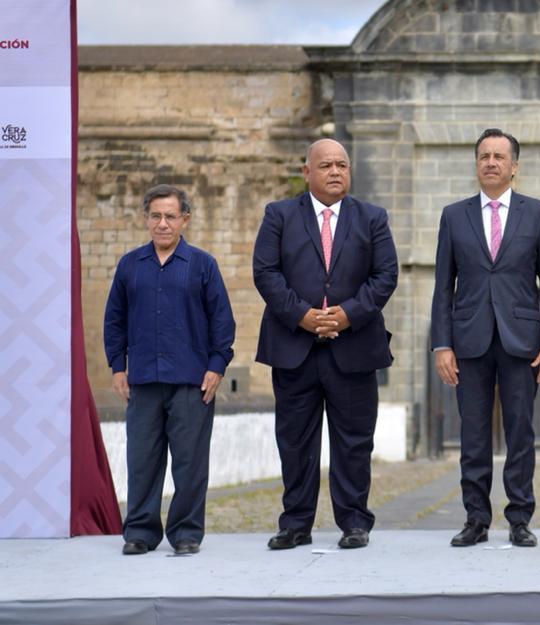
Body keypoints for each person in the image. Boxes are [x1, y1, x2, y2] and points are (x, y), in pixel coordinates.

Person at [253, 138, 398, 550]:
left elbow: (385, 275)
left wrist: (347, 314)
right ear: (307, 172)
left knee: (354, 441)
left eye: (342, 165)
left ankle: (354, 522)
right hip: (294, 348)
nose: (336, 172)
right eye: (326, 165)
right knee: (296, 441)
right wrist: (303, 315)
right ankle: (295, 524)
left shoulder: (372, 217)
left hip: (353, 348)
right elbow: (265, 272)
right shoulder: (279, 215)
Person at [430, 128, 540, 548]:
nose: (491, 162)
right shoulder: (454, 216)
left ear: (514, 166)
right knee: (472, 435)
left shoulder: (538, 214)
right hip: (468, 341)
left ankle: (520, 518)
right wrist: (441, 344)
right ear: (476, 164)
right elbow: (442, 286)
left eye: (499, 156)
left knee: (521, 432)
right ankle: (475, 519)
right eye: (484, 156)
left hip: (522, 342)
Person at [104, 184, 235, 555]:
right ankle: (141, 532)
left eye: (170, 216)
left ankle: (186, 533)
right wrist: (117, 366)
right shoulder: (130, 265)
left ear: (184, 219)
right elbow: (114, 319)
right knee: (142, 459)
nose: (162, 224)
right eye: (156, 216)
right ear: (146, 219)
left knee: (190, 463)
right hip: (143, 380)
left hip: (193, 382)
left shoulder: (203, 265)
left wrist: (216, 366)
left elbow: (222, 321)